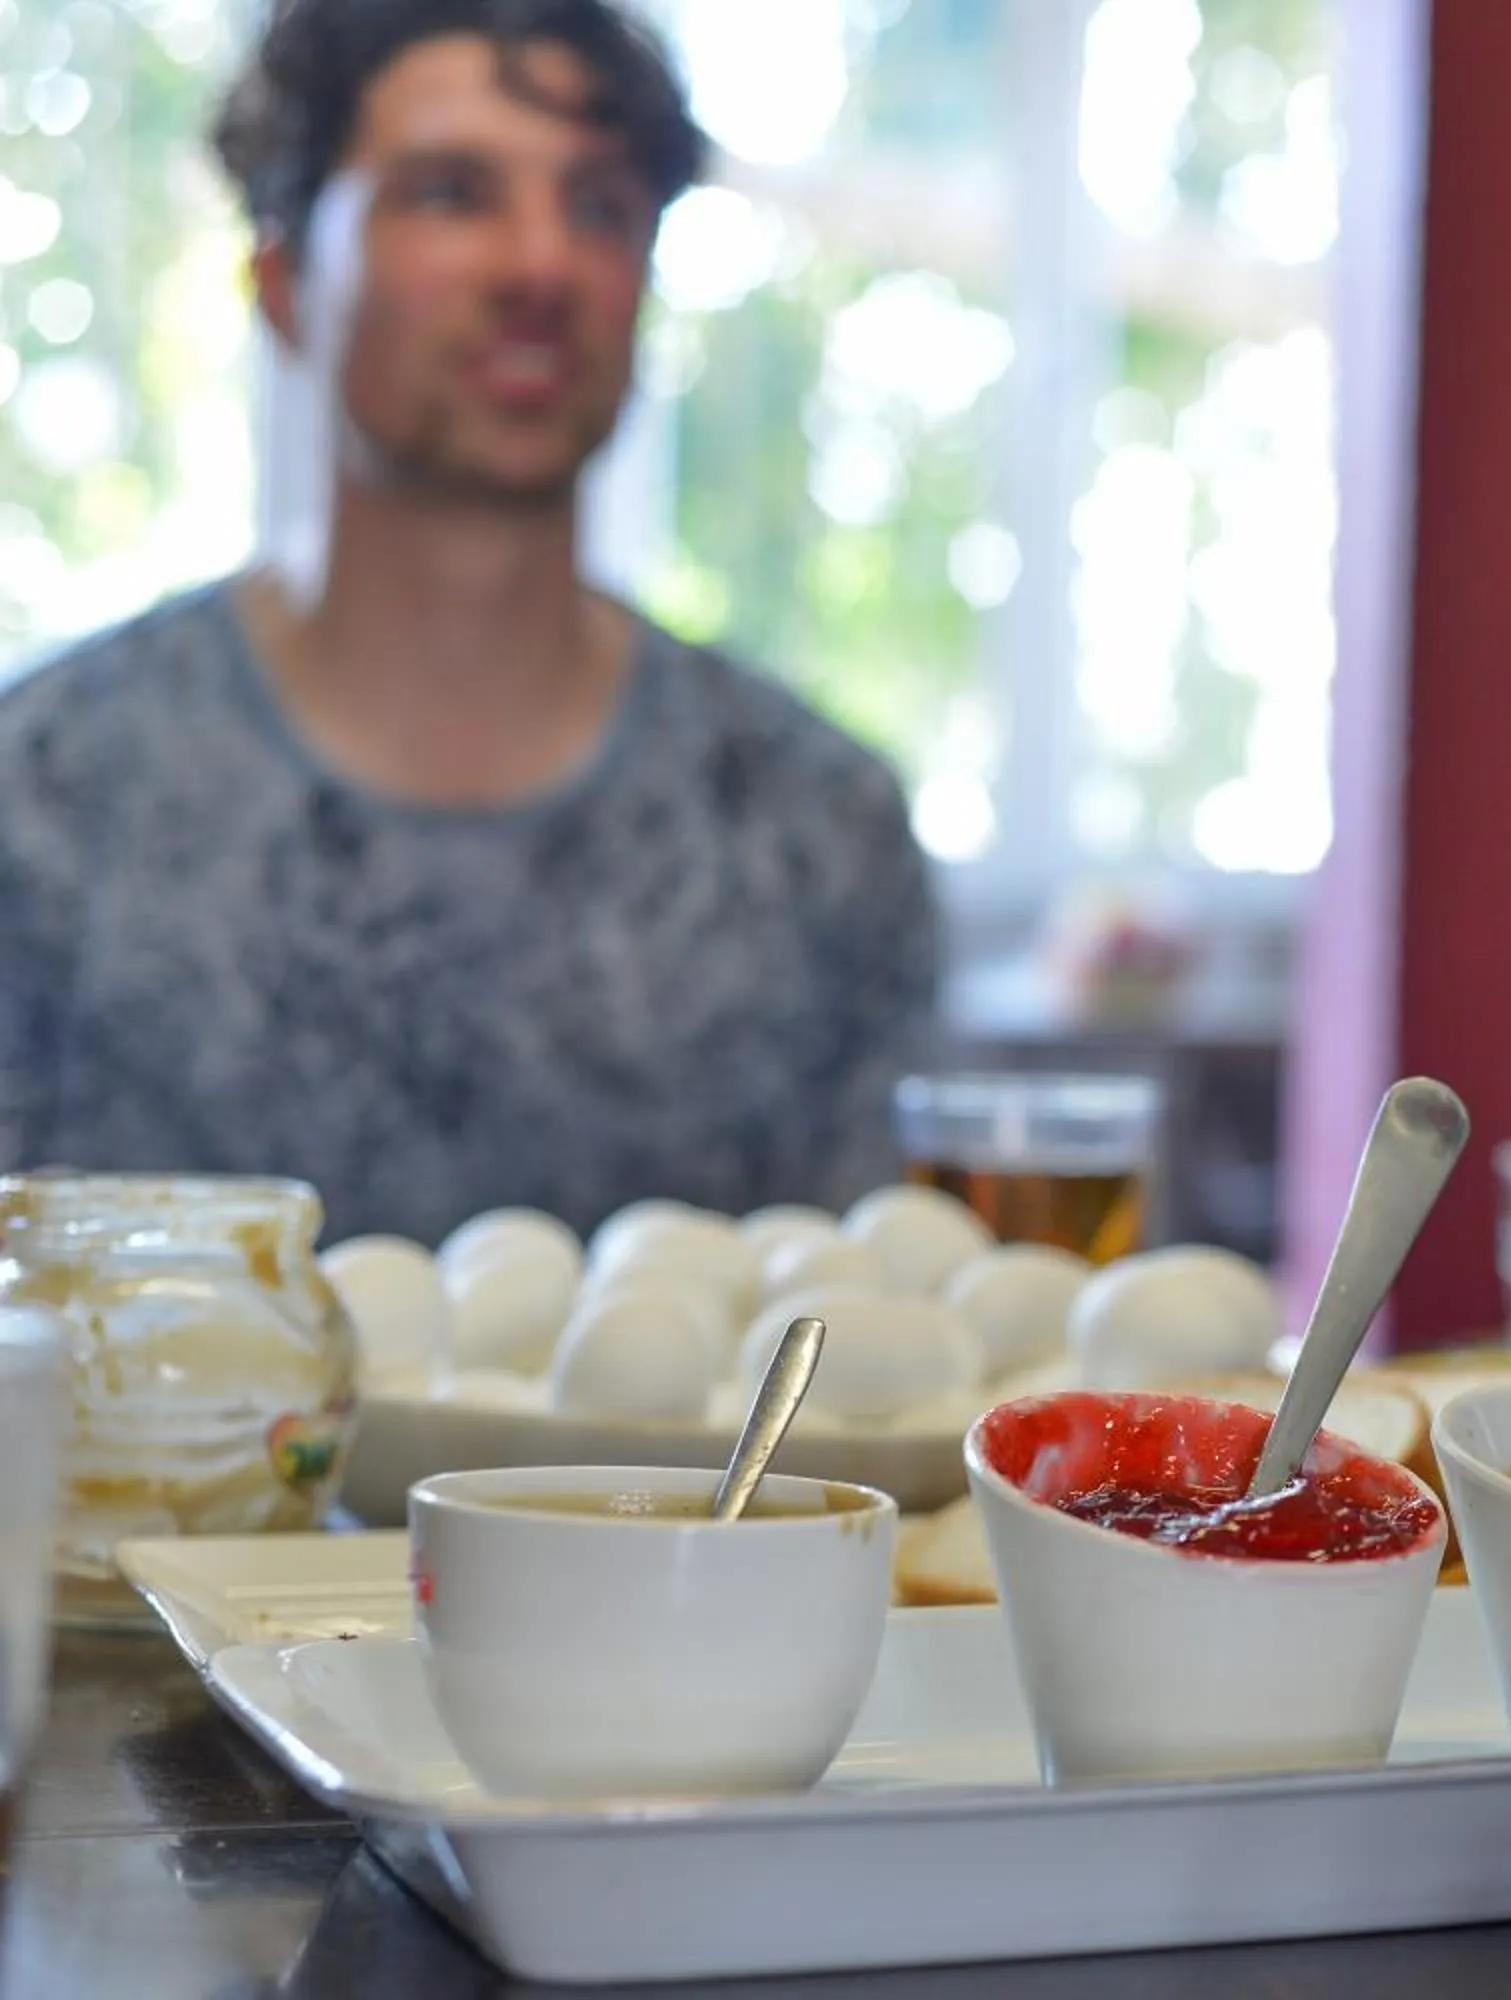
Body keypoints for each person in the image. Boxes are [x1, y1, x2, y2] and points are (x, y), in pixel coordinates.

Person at [0, 0, 941, 1243]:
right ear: (282, 280)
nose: (541, 265)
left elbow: (882, 1368)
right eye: (451, 193)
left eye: (600, 207)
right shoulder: (47, 800)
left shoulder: (816, 834)